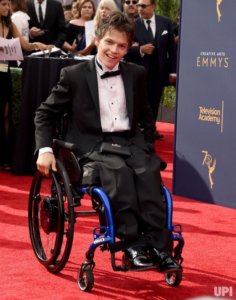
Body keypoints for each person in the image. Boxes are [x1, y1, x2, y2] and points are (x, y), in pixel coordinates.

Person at [35, 11, 181, 273]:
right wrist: (45, 150)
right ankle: (131, 244)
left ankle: (159, 247)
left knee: (148, 173)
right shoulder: (74, 75)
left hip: (128, 142)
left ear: (129, 47)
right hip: (92, 145)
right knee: (118, 172)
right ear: (98, 38)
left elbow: (147, 116)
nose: (115, 50)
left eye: (122, 45)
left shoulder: (136, 74)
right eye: (110, 42)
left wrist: (146, 145)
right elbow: (45, 113)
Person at [0, 0, 52, 171]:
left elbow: (24, 46)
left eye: (8, 5)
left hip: (6, 73)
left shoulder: (11, 24)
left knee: (6, 115)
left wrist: (40, 46)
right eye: (3, 4)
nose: (7, 8)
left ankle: (4, 157)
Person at [125, 0, 176, 139]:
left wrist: (173, 71)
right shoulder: (133, 24)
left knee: (154, 101)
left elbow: (172, 49)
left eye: (143, 6)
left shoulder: (165, 22)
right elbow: (124, 48)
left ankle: (151, 129)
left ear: (153, 6)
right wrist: (140, 49)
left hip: (159, 71)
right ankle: (137, 131)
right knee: (139, 101)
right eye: (139, 5)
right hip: (139, 71)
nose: (139, 8)